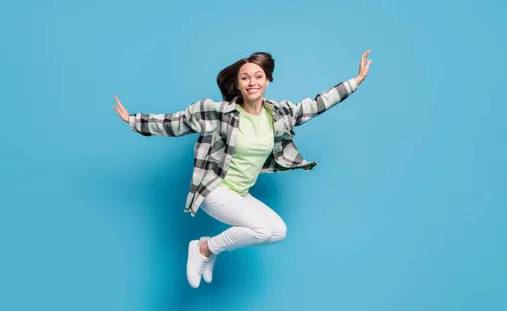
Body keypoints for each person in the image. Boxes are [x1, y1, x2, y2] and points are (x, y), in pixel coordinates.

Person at [113, 50, 372, 288]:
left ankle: (210, 247)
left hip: (239, 193)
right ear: (238, 84)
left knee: (278, 231)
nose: (252, 82)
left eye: (258, 76)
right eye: (245, 78)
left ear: (268, 80)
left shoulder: (279, 114)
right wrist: (133, 121)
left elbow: (316, 105)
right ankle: (203, 249)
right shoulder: (222, 114)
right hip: (214, 189)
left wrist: (356, 80)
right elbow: (177, 122)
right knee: (260, 229)